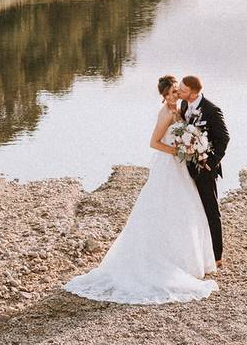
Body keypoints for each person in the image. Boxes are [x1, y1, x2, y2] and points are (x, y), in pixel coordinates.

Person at [63, 75, 218, 304]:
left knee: (185, 209)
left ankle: (187, 260)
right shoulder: (166, 113)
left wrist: (191, 145)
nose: (177, 94)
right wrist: (177, 151)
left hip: (180, 168)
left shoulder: (181, 110)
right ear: (164, 96)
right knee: (162, 208)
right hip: (168, 166)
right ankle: (160, 259)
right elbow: (154, 143)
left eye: (177, 91)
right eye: (173, 92)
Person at [177, 75, 229, 266]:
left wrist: (211, 161)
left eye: (182, 89)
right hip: (186, 166)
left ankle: (216, 256)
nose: (179, 92)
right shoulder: (184, 106)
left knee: (211, 210)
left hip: (205, 167)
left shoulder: (211, 110)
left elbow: (224, 139)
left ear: (193, 92)